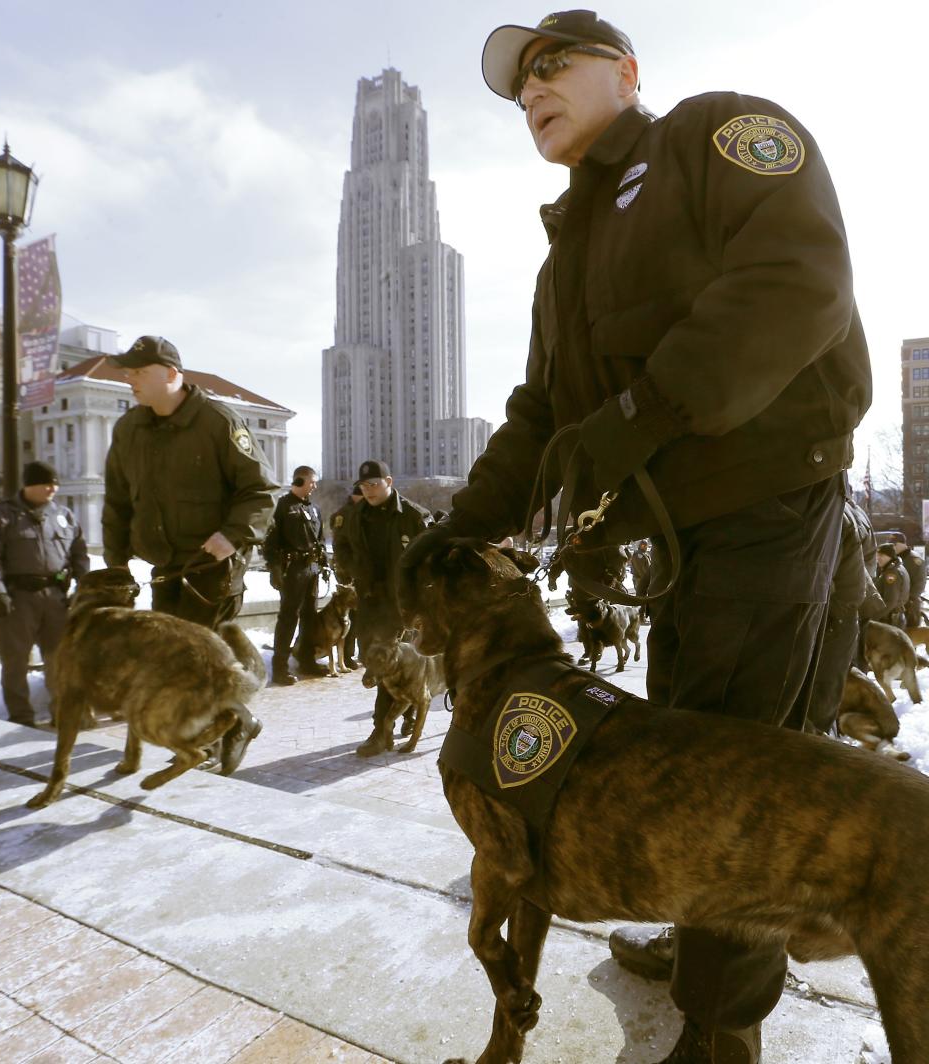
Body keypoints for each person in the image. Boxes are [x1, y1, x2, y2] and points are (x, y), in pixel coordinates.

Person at [401, 11, 871, 1063]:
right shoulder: (565, 253)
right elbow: (537, 417)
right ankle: (699, 941)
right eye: (518, 86)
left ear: (626, 71)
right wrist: (457, 530)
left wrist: (645, 411)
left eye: (551, 65)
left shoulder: (714, 137)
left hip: (772, 514)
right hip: (683, 547)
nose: (531, 92)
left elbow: (799, 281)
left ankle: (720, 1027)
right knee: (693, 753)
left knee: (734, 786)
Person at [102, 334, 277, 773]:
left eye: (139, 372)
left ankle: (224, 733)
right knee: (171, 659)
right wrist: (116, 564)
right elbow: (117, 502)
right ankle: (228, 725)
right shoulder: (128, 430)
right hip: (165, 565)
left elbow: (260, 492)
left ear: (172, 375)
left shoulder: (217, 421)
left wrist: (233, 535)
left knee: (199, 660)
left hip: (212, 566)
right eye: (128, 372)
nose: (130, 380)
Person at [0, 460, 90, 726]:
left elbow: (79, 555)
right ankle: (21, 717)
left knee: (59, 658)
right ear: (29, 485)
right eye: (46, 484)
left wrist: (82, 587)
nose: (52, 489)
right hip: (17, 599)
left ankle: (63, 713)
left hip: (56, 599)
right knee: (15, 661)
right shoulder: (1, 516)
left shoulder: (64, 515)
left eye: (55, 484)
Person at [332, 460, 432, 755]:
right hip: (370, 604)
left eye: (374, 484)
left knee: (394, 664)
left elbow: (429, 558)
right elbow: (341, 546)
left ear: (389, 481)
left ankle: (382, 730)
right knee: (378, 663)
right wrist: (352, 570)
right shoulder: (353, 516)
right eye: (364, 486)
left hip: (404, 606)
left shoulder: (413, 517)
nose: (369, 490)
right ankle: (400, 717)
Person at [806, 498, 882, 735]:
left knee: (820, 696)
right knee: (832, 688)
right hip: (849, 613)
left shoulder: (835, 511)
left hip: (836, 613)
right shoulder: (855, 512)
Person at [263, 465, 330, 685]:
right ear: (300, 481)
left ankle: (306, 659)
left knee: (310, 616)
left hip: (312, 569)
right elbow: (270, 542)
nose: (314, 486)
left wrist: (325, 565)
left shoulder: (315, 509)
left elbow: (320, 539)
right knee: (288, 617)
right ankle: (280, 667)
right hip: (292, 570)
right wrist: (274, 568)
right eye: (312, 482)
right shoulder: (282, 507)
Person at [329, 482, 365, 669]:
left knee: (362, 614)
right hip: (348, 572)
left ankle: (359, 652)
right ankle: (348, 655)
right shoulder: (345, 514)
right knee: (352, 613)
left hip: (362, 571)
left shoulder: (362, 511)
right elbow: (341, 547)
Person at [891, 533, 926, 628]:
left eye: (894, 544)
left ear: (903, 544)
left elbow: (919, 583)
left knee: (910, 635)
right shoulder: (895, 558)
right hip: (897, 604)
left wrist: (908, 599)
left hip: (909, 605)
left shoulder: (914, 559)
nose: (892, 547)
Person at [874, 543, 909, 629]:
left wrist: (874, 617)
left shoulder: (891, 573)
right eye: (877, 555)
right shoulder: (899, 567)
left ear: (890, 556)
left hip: (890, 619)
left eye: (881, 555)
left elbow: (891, 601)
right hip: (895, 617)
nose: (878, 558)